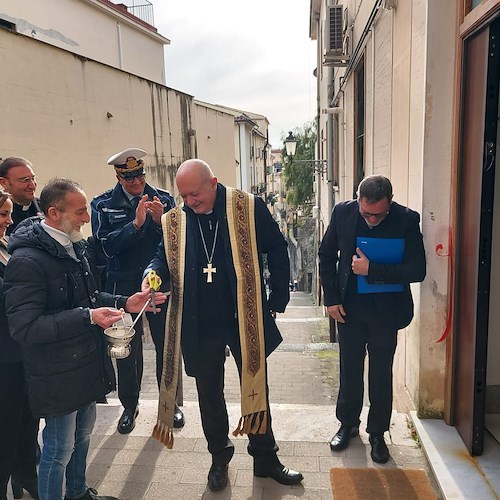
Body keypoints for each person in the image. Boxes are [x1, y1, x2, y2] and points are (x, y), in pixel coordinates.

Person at [143, 159, 303, 492]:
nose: (189, 202)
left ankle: (265, 459)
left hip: (242, 316)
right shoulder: (175, 220)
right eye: (183, 195)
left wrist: (275, 301)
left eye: (195, 194)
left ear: (213, 183)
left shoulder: (247, 206)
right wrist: (151, 275)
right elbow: (161, 256)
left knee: (256, 385)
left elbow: (277, 248)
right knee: (208, 395)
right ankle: (219, 458)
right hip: (199, 323)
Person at [3, 178, 167, 500]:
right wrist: (88, 317)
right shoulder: (27, 260)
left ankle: (78, 493)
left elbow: (90, 298)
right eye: (80, 212)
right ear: (54, 213)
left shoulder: (74, 245)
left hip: (85, 363)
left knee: (82, 437)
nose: (87, 218)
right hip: (55, 372)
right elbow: (25, 327)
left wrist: (124, 302)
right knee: (58, 448)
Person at [318, 174, 426, 464]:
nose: (371, 220)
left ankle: (378, 432)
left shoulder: (406, 219)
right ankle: (348, 424)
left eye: (378, 215)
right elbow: (326, 256)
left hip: (386, 312)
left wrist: (372, 269)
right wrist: (331, 298)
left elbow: (417, 270)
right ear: (357, 199)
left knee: (380, 373)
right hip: (349, 308)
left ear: (389, 203)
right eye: (366, 213)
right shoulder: (343, 212)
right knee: (349, 369)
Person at [91, 148, 184, 434]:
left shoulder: (165, 199)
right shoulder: (102, 204)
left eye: (139, 175)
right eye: (128, 177)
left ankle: (170, 404)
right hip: (123, 287)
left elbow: (177, 242)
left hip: (157, 283)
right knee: (126, 349)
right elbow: (104, 246)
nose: (136, 182)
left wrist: (160, 222)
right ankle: (129, 406)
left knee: (166, 346)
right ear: (118, 176)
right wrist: (136, 225)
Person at [0, 190, 38, 500]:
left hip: (21, 352)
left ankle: (26, 478)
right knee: (6, 429)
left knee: (26, 423)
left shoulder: (5, 245)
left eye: (9, 213)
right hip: (4, 359)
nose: (9, 221)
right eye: (2, 214)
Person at [0, 157, 41, 235]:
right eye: (25, 180)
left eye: (33, 178)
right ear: (4, 183)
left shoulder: (46, 207)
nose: (32, 186)